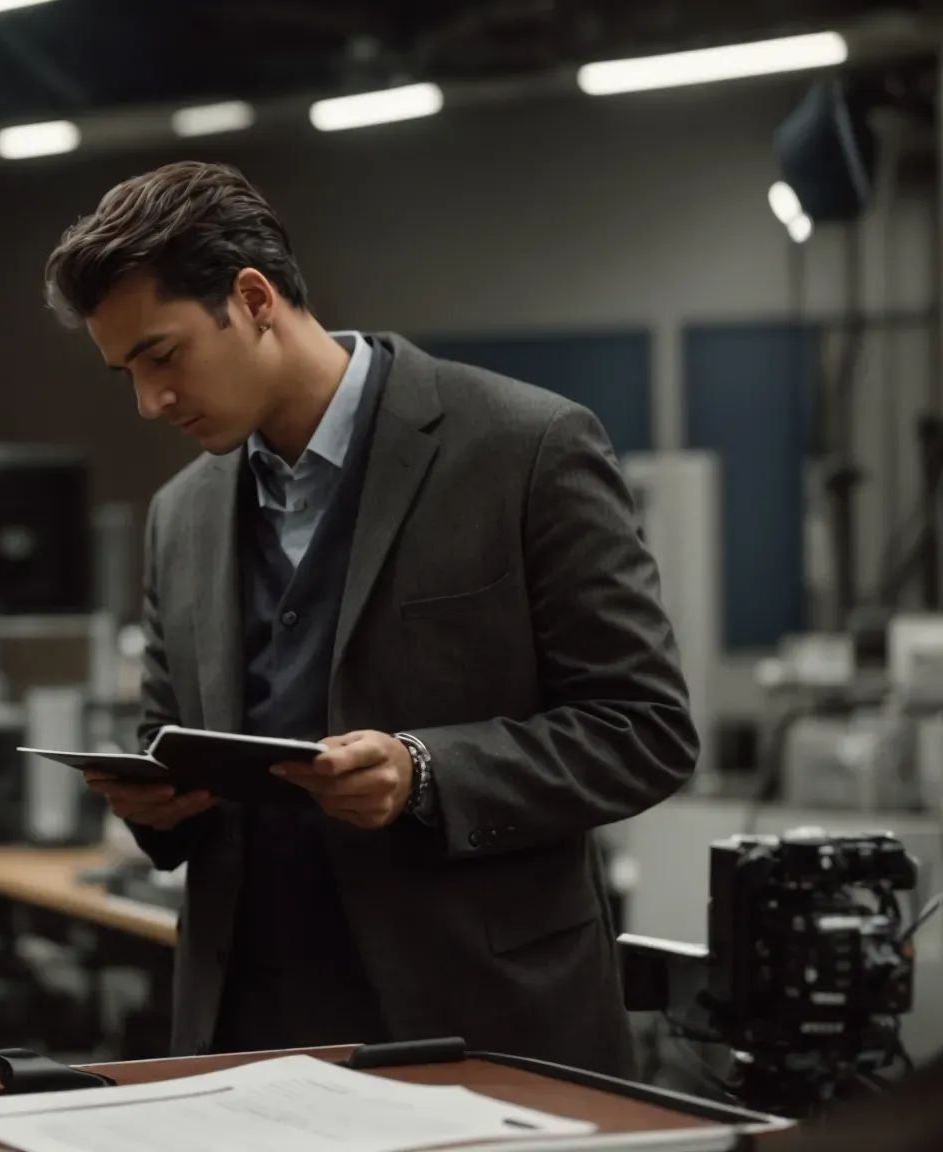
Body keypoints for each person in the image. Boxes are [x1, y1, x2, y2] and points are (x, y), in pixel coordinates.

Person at [44, 162, 696, 1075]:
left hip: (476, 1019)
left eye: (162, 356)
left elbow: (645, 730)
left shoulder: (526, 449)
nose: (150, 402)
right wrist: (157, 804)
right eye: (127, 373)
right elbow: (170, 736)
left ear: (254, 299)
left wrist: (426, 770)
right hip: (246, 1036)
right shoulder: (180, 513)